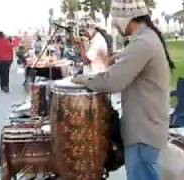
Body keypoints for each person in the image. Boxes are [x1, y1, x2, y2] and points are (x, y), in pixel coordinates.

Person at [72, 0, 175, 179]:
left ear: (126, 17)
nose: (113, 24)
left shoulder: (143, 42)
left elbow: (113, 82)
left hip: (144, 132)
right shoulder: (146, 38)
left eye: (115, 18)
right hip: (146, 127)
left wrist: (84, 80)